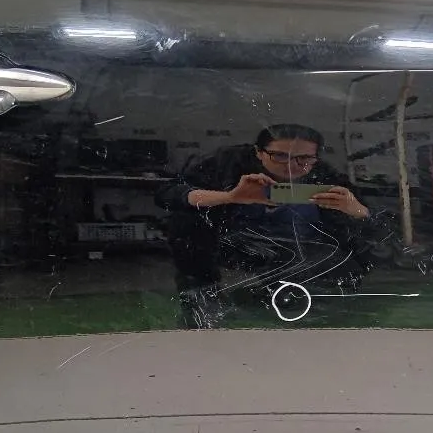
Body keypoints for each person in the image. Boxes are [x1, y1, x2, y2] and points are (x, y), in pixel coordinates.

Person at [156, 124, 378, 326]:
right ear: (259, 152)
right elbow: (169, 193)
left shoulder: (323, 174)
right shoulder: (227, 162)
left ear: (315, 157)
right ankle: (202, 296)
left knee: (325, 290)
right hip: (233, 240)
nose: (291, 166)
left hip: (297, 247)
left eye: (303, 158)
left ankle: (299, 296)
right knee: (186, 221)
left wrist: (357, 210)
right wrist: (229, 197)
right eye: (279, 156)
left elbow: (371, 224)